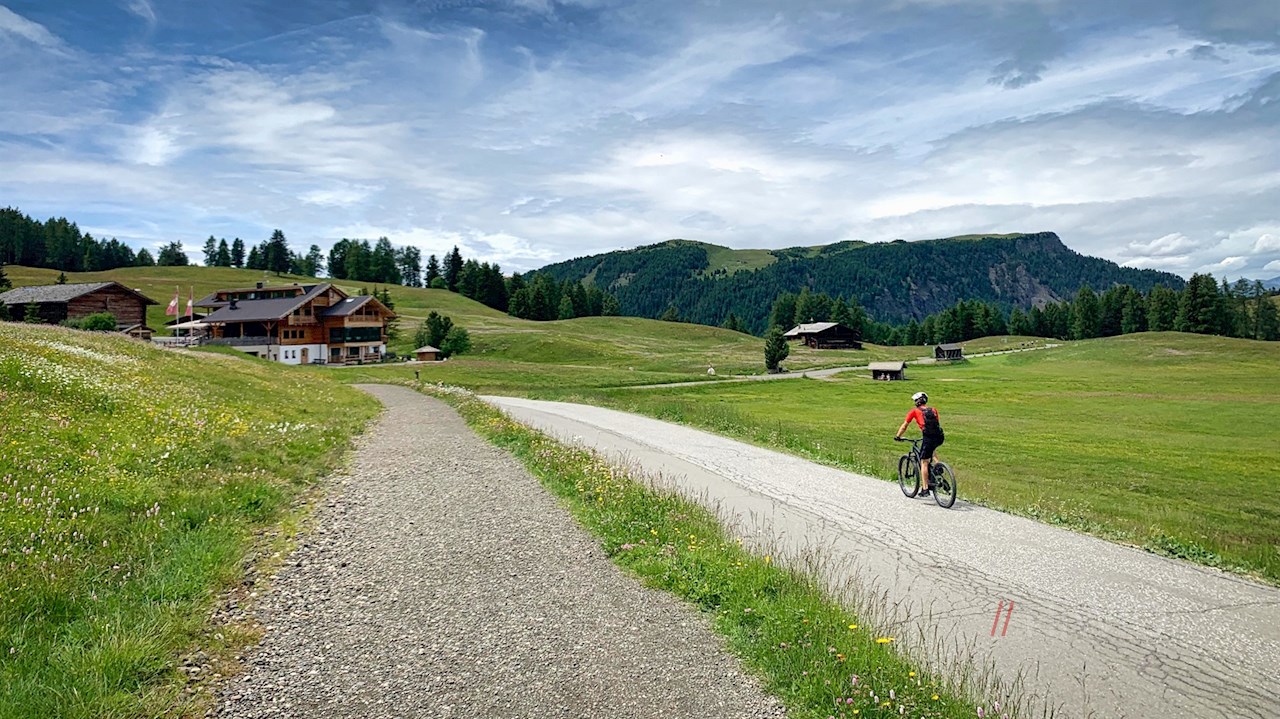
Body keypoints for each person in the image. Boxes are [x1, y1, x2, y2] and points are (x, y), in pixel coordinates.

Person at [895, 391, 944, 497]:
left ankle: (925, 489)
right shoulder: (933, 410)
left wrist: (898, 436)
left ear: (917, 402)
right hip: (939, 436)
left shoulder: (914, 411)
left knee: (924, 462)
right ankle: (938, 466)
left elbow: (904, 426)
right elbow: (936, 424)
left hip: (928, 437)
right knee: (932, 449)